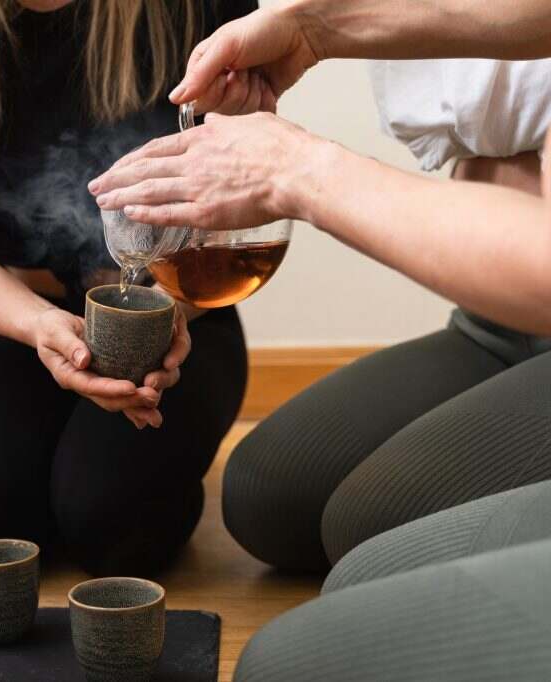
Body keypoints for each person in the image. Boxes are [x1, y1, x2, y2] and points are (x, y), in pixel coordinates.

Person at [91, 0, 551, 677]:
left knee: (306, 628)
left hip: (532, 284)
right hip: (497, 316)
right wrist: (313, 29)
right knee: (265, 496)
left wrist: (297, 170)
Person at [0, 0, 263, 577]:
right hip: (19, 318)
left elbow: (238, 219)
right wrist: (42, 327)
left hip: (178, 316)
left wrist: (164, 315)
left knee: (114, 525)